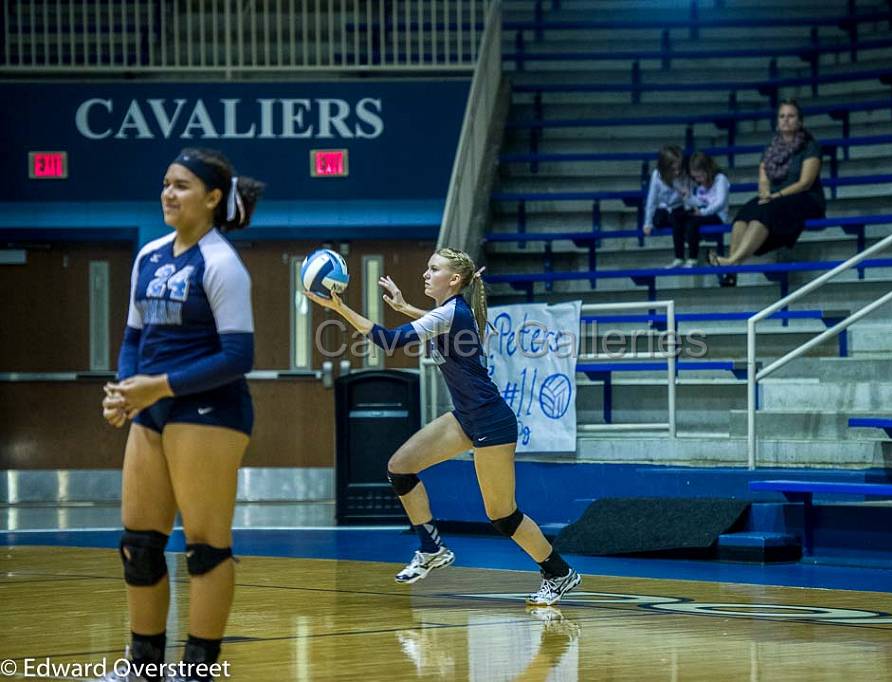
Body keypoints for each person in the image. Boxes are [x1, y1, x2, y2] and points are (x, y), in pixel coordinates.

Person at [305, 248, 582, 606]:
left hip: (490, 423)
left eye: (433, 268)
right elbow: (438, 324)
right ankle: (431, 548)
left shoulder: (450, 312)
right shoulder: (451, 313)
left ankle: (558, 573)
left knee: (502, 514)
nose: (425, 273)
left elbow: (390, 341)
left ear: (453, 279)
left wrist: (338, 308)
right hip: (466, 417)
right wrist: (406, 308)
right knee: (400, 468)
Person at [99, 148, 264, 682]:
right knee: (139, 545)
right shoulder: (148, 256)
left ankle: (196, 670)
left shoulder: (220, 263)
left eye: (183, 186)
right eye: (166, 183)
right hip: (151, 407)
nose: (169, 193)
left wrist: (158, 386)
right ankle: (142, 668)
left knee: (205, 549)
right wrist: (126, 391)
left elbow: (239, 356)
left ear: (213, 199)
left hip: (210, 410)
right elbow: (133, 336)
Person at [710, 99, 825, 286]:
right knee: (745, 212)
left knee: (766, 212)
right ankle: (731, 272)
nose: (786, 120)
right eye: (782, 116)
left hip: (805, 198)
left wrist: (776, 196)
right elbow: (763, 179)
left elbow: (805, 183)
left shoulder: (810, 146)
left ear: (800, 121)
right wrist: (765, 194)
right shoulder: (771, 149)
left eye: (791, 116)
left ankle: (732, 263)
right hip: (776, 198)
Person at [674, 151, 730, 268]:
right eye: (695, 177)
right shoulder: (700, 186)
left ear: (707, 170)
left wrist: (703, 212)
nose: (698, 180)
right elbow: (700, 202)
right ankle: (679, 257)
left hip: (718, 215)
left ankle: (692, 258)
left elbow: (719, 203)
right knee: (678, 216)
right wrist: (688, 197)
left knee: (693, 222)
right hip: (704, 212)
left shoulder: (721, 179)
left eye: (700, 176)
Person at [641, 145, 691, 262]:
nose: (677, 172)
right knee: (660, 220)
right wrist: (647, 223)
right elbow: (652, 200)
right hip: (663, 210)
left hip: (679, 209)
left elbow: (688, 199)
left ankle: (679, 256)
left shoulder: (684, 174)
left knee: (679, 219)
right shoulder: (656, 175)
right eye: (673, 170)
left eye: (679, 168)